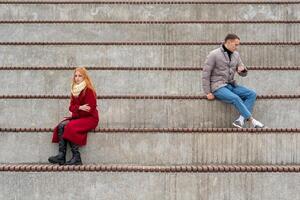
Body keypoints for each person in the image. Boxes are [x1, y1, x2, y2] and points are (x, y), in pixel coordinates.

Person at [202, 33, 265, 128]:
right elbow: (206, 73)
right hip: (217, 86)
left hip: (231, 85)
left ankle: (240, 120)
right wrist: (207, 92)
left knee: (252, 94)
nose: (237, 47)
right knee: (235, 98)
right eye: (235, 44)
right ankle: (252, 121)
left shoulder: (236, 55)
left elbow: (243, 71)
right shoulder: (214, 54)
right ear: (228, 42)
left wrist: (243, 70)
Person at [48, 67, 99, 165]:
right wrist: (79, 108)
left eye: (80, 76)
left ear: (85, 77)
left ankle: (77, 157)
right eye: (75, 76)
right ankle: (61, 156)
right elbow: (71, 107)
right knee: (61, 126)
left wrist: (77, 109)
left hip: (90, 118)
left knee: (70, 127)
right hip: (80, 117)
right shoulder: (74, 90)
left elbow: (89, 109)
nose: (77, 78)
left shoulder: (88, 90)